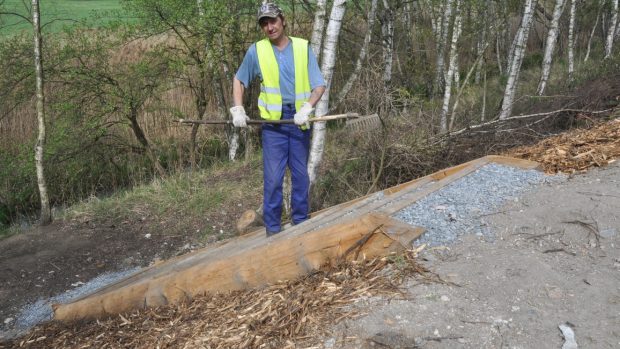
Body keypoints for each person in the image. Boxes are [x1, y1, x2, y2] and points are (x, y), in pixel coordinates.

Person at [230, 2, 326, 237]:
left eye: (273, 21)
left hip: (298, 121)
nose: (269, 27)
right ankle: (273, 230)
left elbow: (319, 85)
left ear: (282, 20)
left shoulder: (303, 48)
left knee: (300, 176)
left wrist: (307, 108)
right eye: (264, 23)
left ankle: (300, 223)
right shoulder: (257, 51)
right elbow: (239, 80)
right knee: (273, 179)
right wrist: (238, 109)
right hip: (273, 125)